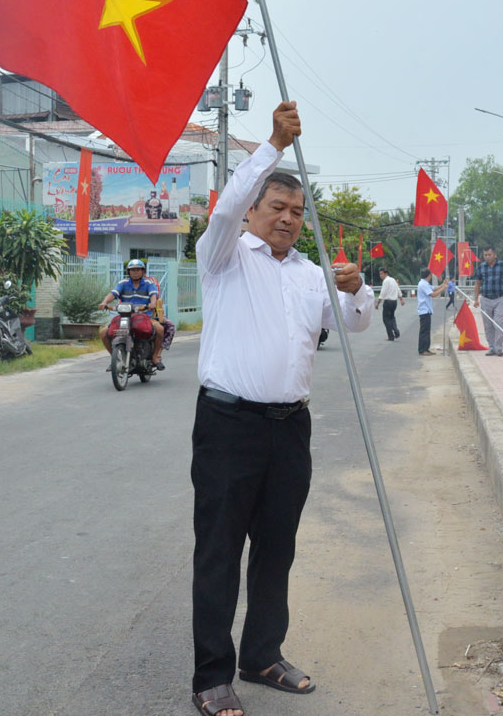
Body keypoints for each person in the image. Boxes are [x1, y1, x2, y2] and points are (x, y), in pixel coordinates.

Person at [190, 100, 374, 716]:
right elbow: (221, 209)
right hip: (227, 425)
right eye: (277, 208)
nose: (289, 220)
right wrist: (270, 143)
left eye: (297, 212)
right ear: (253, 211)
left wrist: (356, 288)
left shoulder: (306, 274)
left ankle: (262, 654)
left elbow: (353, 324)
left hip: (289, 428)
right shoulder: (222, 256)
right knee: (219, 551)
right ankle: (211, 677)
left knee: (278, 545)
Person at [97, 259, 165, 370]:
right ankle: (115, 359)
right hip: (125, 316)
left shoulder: (149, 284)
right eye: (132, 270)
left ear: (143, 271)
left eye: (138, 270)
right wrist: (105, 302)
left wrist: (152, 303)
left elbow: (153, 294)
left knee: (160, 329)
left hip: (145, 316)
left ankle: (155, 356)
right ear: (128, 272)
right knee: (103, 333)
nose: (135, 272)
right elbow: (113, 293)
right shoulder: (123, 283)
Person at [473, 247, 503, 356]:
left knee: (498, 323)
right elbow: (478, 283)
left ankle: (498, 348)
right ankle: (491, 347)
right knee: (488, 325)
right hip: (485, 299)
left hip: (499, 299)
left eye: (489, 254)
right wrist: (476, 299)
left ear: (495, 255)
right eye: (485, 255)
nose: (487, 257)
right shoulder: (482, 267)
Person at [377, 268, 406, 341]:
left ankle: (391, 336)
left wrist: (378, 303)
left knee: (386, 319)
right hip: (394, 302)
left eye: (381, 274)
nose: (380, 275)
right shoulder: (393, 280)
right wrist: (401, 299)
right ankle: (396, 330)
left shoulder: (386, 281)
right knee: (392, 317)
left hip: (388, 302)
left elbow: (382, 293)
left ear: (386, 273)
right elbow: (398, 289)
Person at [415, 270, 436, 356]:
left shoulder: (425, 284)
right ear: (428, 275)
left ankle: (426, 348)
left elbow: (433, 288)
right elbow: (433, 294)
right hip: (424, 311)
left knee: (427, 331)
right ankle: (422, 349)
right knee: (424, 331)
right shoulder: (423, 284)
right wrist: (444, 288)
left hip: (427, 310)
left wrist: (443, 285)